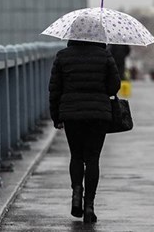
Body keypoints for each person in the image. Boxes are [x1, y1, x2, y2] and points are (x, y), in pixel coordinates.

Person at [49, 40, 121, 223]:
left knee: (76, 156)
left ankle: (76, 193)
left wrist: (56, 116)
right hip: (98, 114)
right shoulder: (104, 56)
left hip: (71, 114)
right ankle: (89, 207)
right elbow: (114, 86)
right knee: (92, 158)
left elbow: (55, 89)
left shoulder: (63, 56)